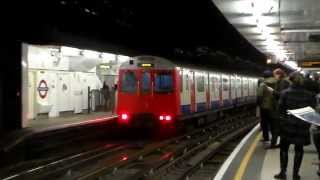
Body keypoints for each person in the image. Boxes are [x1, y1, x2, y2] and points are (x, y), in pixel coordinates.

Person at [274, 72, 316, 180]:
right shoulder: (309, 94)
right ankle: (295, 175)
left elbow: (280, 111)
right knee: (299, 149)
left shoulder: (285, 93)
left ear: (291, 80)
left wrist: (282, 122)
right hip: (302, 126)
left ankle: (283, 173)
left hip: (287, 125)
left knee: (284, 148)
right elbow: (312, 112)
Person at [270, 68, 290, 148]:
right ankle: (280, 143)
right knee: (279, 127)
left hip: (281, 108)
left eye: (274, 74)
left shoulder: (283, 82)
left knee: (277, 127)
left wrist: (272, 91)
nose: (274, 76)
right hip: (281, 107)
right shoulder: (282, 81)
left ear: (279, 74)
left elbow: (281, 94)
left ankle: (273, 144)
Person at [257, 70, 277, 143]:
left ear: (264, 76)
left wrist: (259, 104)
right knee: (273, 124)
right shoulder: (277, 82)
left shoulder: (263, 84)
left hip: (265, 107)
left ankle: (266, 138)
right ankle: (274, 139)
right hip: (275, 107)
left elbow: (259, 95)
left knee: (264, 123)